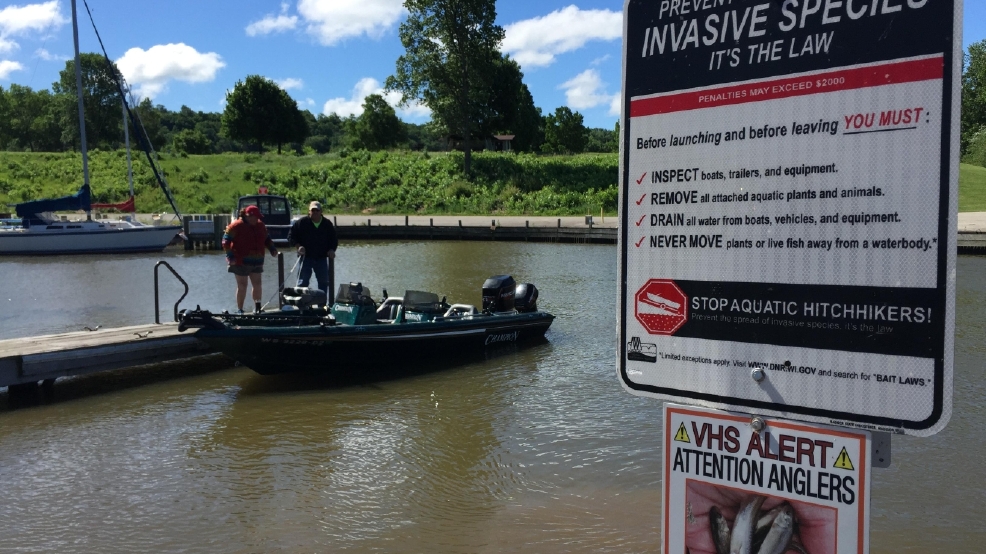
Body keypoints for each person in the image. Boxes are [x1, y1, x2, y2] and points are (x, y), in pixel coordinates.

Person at [222, 205, 278, 313]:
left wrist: (272, 249)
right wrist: (230, 256)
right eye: (255, 217)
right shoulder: (236, 225)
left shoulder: (260, 225)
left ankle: (258, 307)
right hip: (240, 261)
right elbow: (225, 241)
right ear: (248, 216)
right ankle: (240, 309)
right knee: (242, 285)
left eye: (258, 217)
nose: (257, 219)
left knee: (257, 284)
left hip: (257, 261)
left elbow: (267, 238)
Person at [288, 201, 338, 296]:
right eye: (313, 210)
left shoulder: (327, 224)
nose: (315, 212)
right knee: (303, 282)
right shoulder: (302, 223)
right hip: (305, 258)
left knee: (323, 282)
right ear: (309, 211)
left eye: (317, 210)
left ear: (321, 211)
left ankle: (322, 306)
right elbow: (291, 236)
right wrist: (298, 246)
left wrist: (332, 249)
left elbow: (334, 239)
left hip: (321, 258)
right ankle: (302, 305)